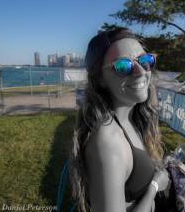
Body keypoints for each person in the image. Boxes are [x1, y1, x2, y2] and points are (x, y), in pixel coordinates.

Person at [69, 27, 170, 212]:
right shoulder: (107, 142)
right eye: (124, 66)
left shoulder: (130, 118)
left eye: (145, 60)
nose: (140, 72)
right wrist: (154, 187)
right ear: (100, 79)